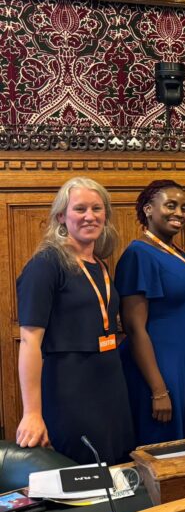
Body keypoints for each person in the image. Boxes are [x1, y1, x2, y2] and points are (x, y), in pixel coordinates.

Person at [15, 177, 134, 464]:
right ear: (61, 217)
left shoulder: (100, 264)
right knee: (83, 473)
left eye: (97, 208)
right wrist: (32, 413)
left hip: (110, 381)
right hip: (70, 386)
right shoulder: (46, 265)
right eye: (80, 209)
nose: (90, 216)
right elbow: (30, 340)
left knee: (116, 468)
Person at [116, 180, 185, 445]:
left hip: (184, 357)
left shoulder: (175, 252)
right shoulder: (139, 254)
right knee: (163, 444)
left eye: (184, 208)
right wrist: (158, 389)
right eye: (171, 205)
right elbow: (134, 327)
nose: (179, 214)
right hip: (158, 363)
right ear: (149, 209)